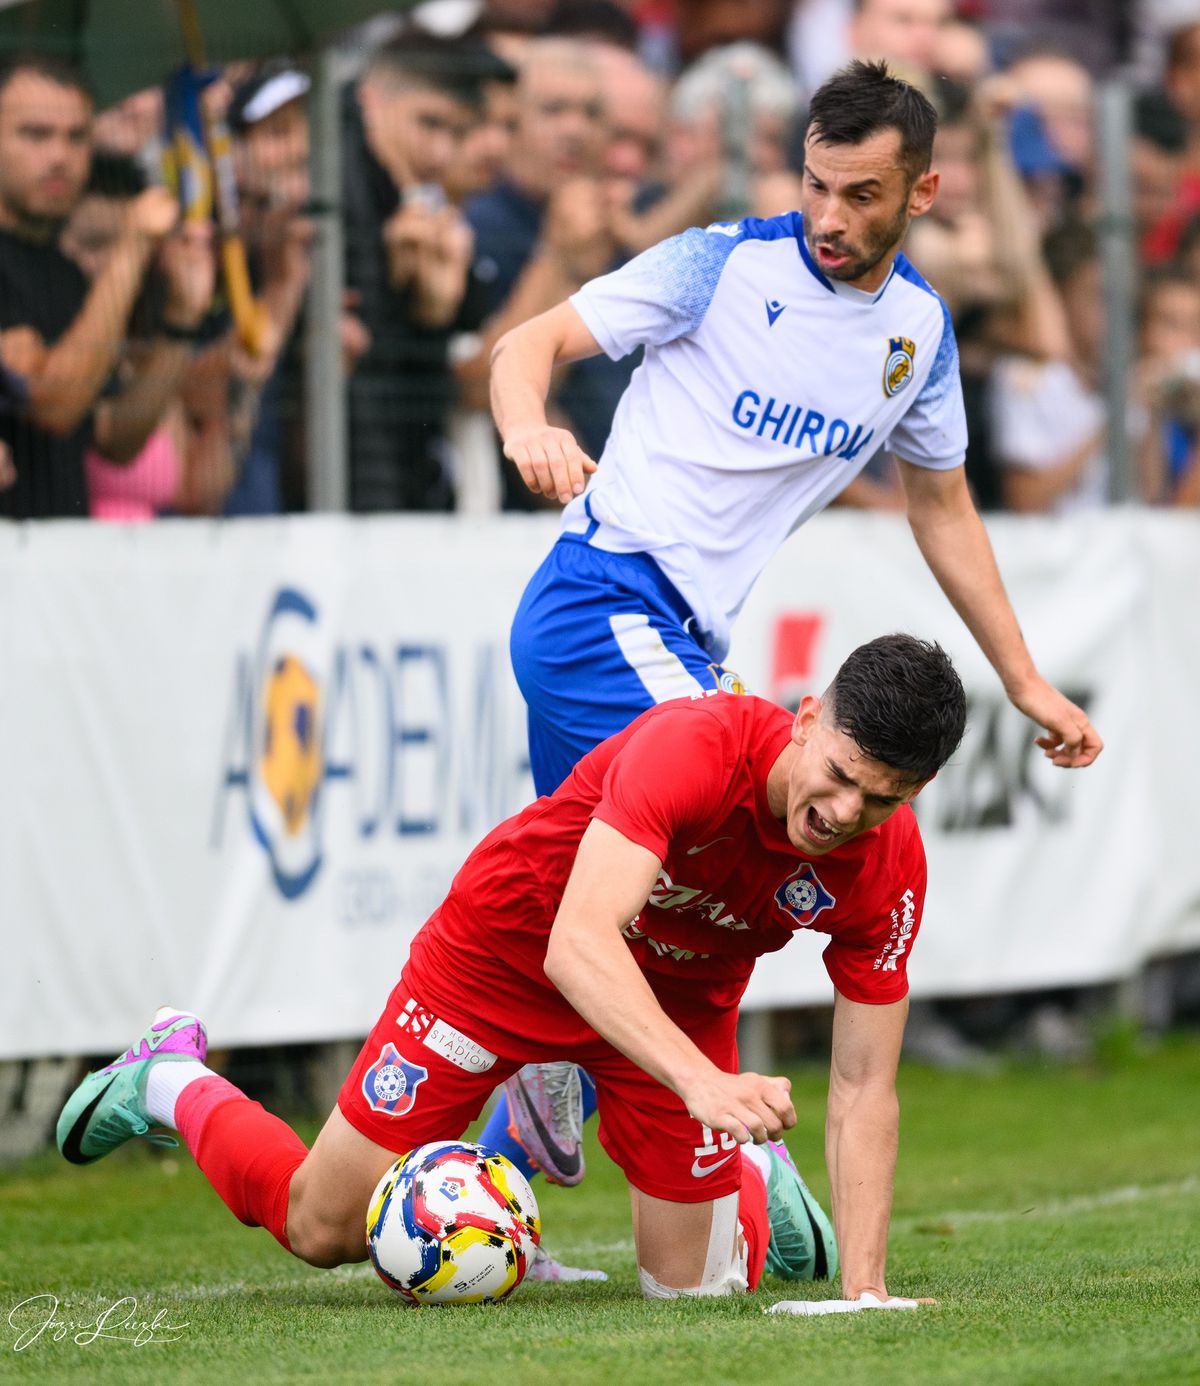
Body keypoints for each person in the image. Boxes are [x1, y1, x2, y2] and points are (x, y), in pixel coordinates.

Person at [480, 59, 1102, 1186]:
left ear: (922, 191)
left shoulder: (916, 334)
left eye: (861, 193)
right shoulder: (720, 265)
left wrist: (1024, 679)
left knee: (574, 906)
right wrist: (528, 425)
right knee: (748, 827)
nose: (828, 214)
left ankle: (508, 1140)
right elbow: (524, 346)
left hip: (680, 635)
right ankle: (728, 1137)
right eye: (816, 184)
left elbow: (945, 506)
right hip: (602, 601)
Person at [57, 634, 967, 1311]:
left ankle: (752, 1189)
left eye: (881, 798)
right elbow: (578, 943)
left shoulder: (889, 866)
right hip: (508, 955)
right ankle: (170, 1079)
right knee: (320, 1229)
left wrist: (867, 1293)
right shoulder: (694, 748)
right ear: (807, 718)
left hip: (680, 1006)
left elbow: (861, 1082)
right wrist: (704, 1084)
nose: (846, 811)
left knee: (692, 1298)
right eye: (841, 775)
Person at [0, 55, 203, 519]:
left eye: (77, 137)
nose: (60, 157)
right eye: (35, 134)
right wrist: (131, 248)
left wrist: (180, 321)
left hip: (60, 569)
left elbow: (113, 437)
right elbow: (56, 405)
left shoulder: (65, 273)